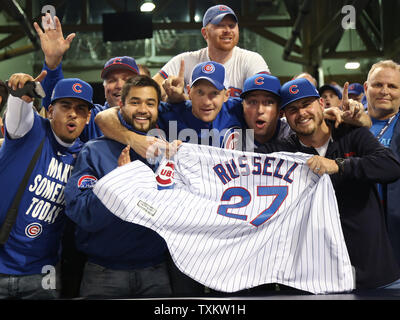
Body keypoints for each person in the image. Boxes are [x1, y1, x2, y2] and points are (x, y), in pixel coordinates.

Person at [256, 78, 400, 290]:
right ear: (284, 116)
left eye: (306, 104)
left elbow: (390, 165)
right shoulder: (279, 151)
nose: (302, 113)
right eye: (293, 109)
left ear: (321, 105)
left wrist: (339, 165)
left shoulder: (351, 133)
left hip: (370, 270)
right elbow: (245, 167)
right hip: (311, 275)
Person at [64, 75, 173, 299]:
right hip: (103, 273)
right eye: (135, 102)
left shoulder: (169, 153)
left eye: (150, 103)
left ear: (158, 108)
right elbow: (82, 213)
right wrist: (119, 182)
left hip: (156, 271)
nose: (143, 109)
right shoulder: (94, 151)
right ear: (120, 105)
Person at [0, 72, 93, 299]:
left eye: (81, 109)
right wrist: (21, 90)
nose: (73, 113)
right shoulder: (29, 131)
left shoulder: (86, 156)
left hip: (44, 271)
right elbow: (19, 110)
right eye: (66, 106)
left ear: (88, 118)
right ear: (50, 111)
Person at [153, 4, 270, 100]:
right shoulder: (184, 61)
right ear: (204, 33)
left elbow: (265, 100)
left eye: (232, 25)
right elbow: (149, 92)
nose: (227, 31)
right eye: (220, 25)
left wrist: (184, 99)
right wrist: (170, 95)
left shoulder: (251, 60)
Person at [364, 60, 400, 268]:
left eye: (392, 86)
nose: (384, 91)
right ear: (367, 88)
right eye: (378, 85)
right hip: (358, 229)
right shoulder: (346, 124)